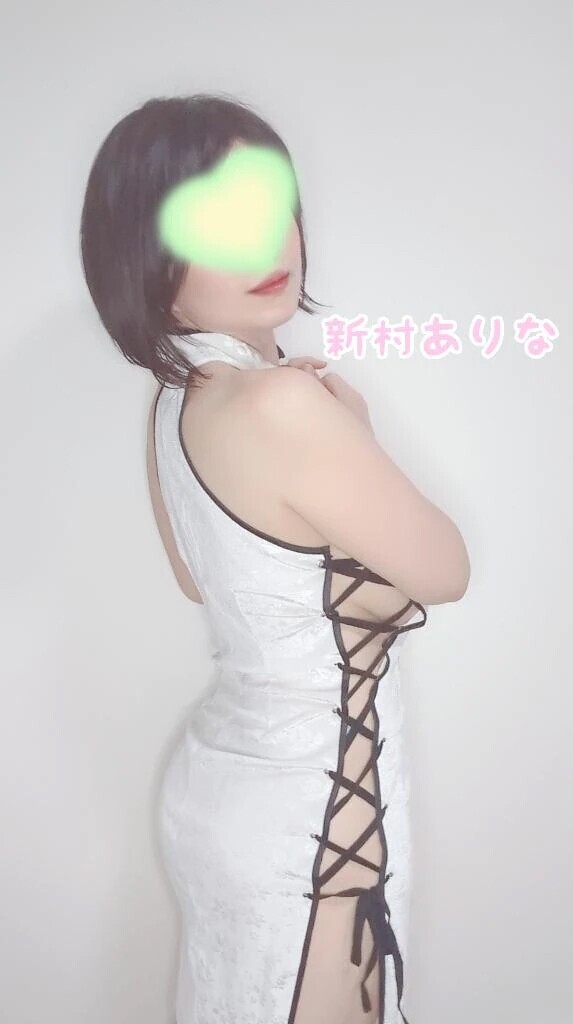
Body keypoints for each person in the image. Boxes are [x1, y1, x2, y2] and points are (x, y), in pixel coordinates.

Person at [79, 92, 470, 1024]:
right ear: (145, 257)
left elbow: (197, 578)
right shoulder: (281, 406)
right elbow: (445, 570)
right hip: (312, 823)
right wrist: (351, 427)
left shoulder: (179, 401)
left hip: (226, 789)